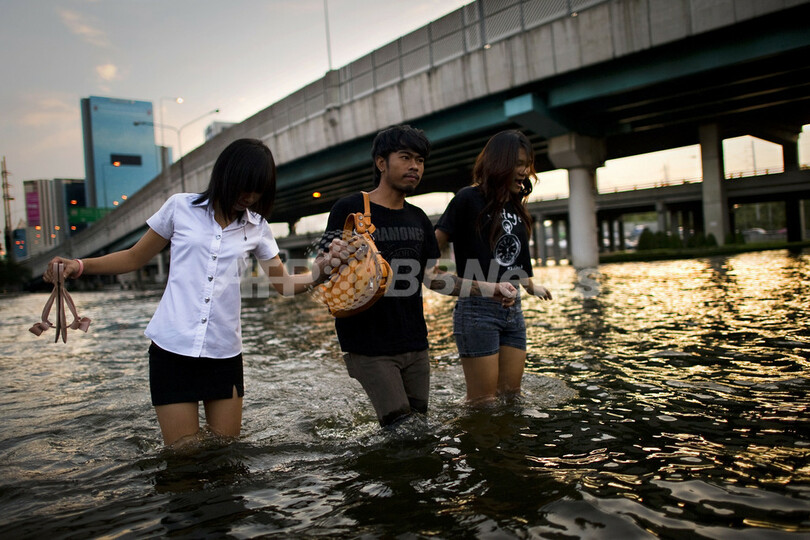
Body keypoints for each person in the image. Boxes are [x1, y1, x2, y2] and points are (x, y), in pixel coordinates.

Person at [44, 138, 346, 447]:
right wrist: (78, 266)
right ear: (225, 176)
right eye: (244, 187)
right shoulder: (180, 207)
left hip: (224, 353)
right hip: (171, 350)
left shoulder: (257, 227)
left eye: (257, 191)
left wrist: (319, 273)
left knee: (226, 452)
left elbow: (283, 284)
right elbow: (134, 257)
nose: (249, 197)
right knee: (183, 454)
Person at [320, 125, 515, 427]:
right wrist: (333, 259)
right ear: (381, 163)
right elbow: (323, 266)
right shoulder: (350, 209)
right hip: (368, 345)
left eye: (420, 160)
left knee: (418, 425)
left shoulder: (419, 218)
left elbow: (434, 278)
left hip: (415, 344)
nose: (415, 166)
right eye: (406, 157)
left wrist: (491, 289)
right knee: (399, 426)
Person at [434, 130, 552, 406]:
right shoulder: (468, 198)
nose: (525, 171)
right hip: (477, 310)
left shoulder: (515, 205)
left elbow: (515, 257)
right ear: (500, 163)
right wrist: (432, 273)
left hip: (513, 310)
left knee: (511, 398)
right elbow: (433, 243)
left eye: (527, 164)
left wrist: (531, 286)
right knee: (483, 403)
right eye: (519, 164)